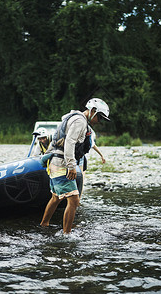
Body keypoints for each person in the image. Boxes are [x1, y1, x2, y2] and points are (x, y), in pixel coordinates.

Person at [40, 98, 110, 234]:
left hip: (55, 163)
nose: (99, 122)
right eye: (100, 118)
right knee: (74, 200)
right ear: (92, 111)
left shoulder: (76, 118)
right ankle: (67, 235)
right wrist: (71, 166)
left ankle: (44, 224)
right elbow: (70, 142)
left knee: (56, 197)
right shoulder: (80, 121)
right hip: (61, 164)